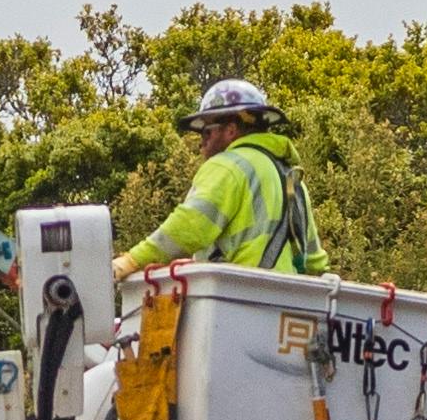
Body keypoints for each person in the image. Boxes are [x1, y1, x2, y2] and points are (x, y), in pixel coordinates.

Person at [115, 77, 326, 281]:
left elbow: (190, 226)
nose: (201, 142)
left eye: (206, 132)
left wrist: (132, 260)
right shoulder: (293, 180)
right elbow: (314, 262)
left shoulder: (227, 165)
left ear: (231, 130)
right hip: (286, 304)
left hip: (237, 298)